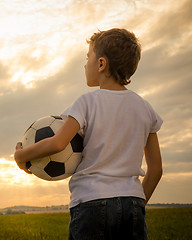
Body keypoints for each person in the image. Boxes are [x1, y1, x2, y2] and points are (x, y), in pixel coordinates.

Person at [14, 28, 163, 240]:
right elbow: (156, 169)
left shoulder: (87, 102)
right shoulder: (145, 108)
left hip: (92, 203)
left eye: (88, 58)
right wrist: (135, 202)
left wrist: (21, 156)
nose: (85, 64)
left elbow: (58, 143)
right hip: (133, 203)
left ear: (101, 64)